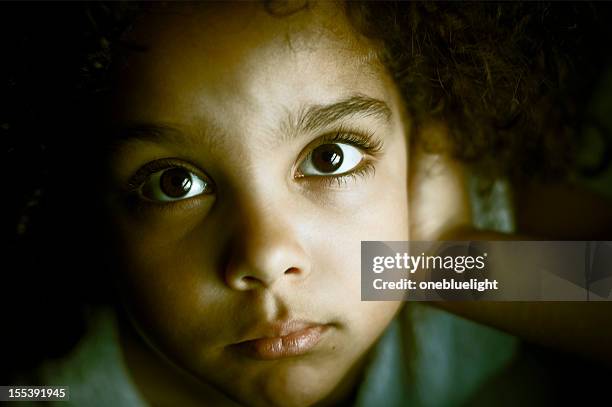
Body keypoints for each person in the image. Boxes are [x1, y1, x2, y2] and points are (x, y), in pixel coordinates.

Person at [4, 1, 612, 406]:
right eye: (173, 184)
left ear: (421, 139)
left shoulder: (470, 243)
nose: (267, 256)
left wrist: (438, 260)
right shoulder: (56, 391)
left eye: (331, 158)